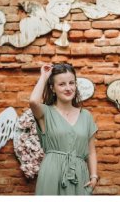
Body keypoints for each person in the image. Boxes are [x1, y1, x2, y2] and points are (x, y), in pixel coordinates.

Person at [29, 63, 98, 195]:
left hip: (79, 175)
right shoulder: (45, 113)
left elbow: (91, 150)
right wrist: (44, 76)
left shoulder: (86, 116)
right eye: (62, 84)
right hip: (51, 173)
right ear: (53, 88)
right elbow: (33, 102)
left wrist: (94, 176)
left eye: (71, 83)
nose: (68, 88)